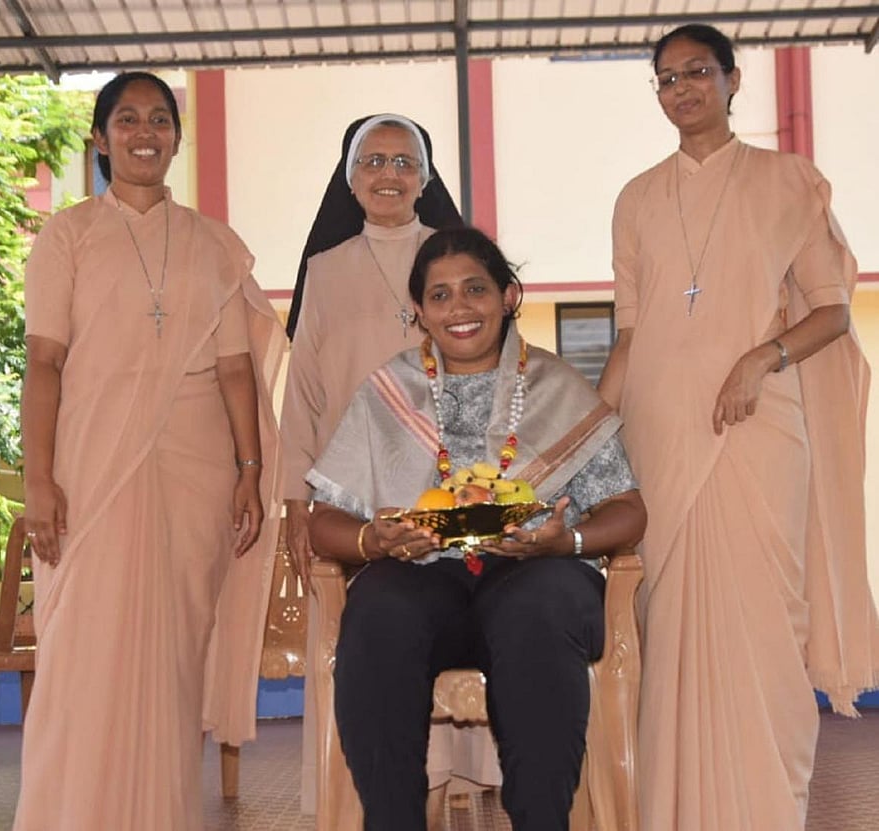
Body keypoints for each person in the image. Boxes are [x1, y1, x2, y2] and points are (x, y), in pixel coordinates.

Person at [598, 24, 879, 831]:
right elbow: (627, 335)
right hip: (658, 432)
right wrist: (585, 432)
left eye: (696, 72)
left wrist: (762, 357)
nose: (682, 88)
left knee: (764, 624)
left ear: (731, 78)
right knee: (671, 628)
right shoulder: (637, 197)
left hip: (758, 428)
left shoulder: (790, 180)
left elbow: (829, 310)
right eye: (666, 78)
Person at [307, 227, 647, 831]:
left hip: (537, 575)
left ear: (508, 296)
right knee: (380, 605)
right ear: (419, 312)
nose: (459, 308)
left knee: (537, 605)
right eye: (439, 296)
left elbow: (626, 509)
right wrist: (373, 541)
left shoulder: (556, 387)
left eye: (475, 289)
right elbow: (323, 520)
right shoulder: (389, 392)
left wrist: (563, 542)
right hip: (426, 585)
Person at [15, 72, 285, 829]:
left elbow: (236, 370)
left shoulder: (211, 243)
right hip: (88, 472)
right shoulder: (66, 234)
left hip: (195, 477)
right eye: (127, 118)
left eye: (159, 118)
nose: (144, 131)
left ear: (175, 136)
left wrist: (249, 473)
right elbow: (44, 362)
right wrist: (39, 480)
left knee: (170, 665)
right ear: (99, 138)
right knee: (82, 661)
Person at [279, 113, 468, 810]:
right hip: (350, 502)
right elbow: (301, 395)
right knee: (360, 648)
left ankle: (446, 788)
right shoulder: (324, 272)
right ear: (351, 180)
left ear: (423, 178)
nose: (389, 174)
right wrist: (297, 502)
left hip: (443, 490)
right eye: (373, 162)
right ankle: (355, 799)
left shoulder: (458, 261)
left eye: (403, 161)